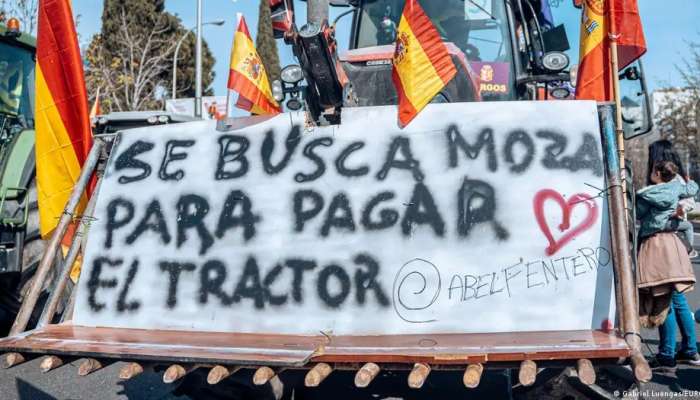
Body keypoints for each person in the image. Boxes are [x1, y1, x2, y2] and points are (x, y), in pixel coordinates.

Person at [637, 157, 700, 368]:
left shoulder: (647, 195)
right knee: (678, 300)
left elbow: (636, 214)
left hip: (655, 247)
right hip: (673, 246)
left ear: (656, 173)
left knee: (665, 302)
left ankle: (666, 354)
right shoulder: (678, 189)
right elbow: (692, 188)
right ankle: (690, 350)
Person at [648, 140, 697, 256]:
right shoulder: (670, 178)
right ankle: (688, 251)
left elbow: (688, 203)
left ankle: (687, 251)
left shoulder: (667, 178)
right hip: (666, 225)